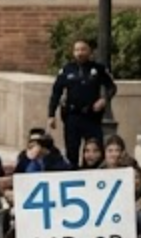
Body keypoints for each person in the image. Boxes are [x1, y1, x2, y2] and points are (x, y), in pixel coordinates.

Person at [49, 38, 117, 168]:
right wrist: (51, 114)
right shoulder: (67, 70)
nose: (80, 53)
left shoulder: (98, 69)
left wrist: (104, 100)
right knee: (72, 150)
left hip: (91, 116)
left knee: (95, 149)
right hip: (72, 116)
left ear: (90, 51)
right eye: (77, 50)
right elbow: (56, 92)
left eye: (83, 49)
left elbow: (111, 87)